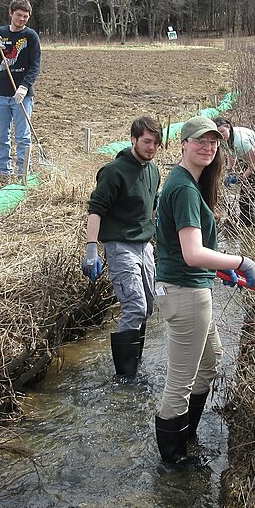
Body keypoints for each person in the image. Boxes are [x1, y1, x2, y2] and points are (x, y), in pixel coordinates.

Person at [153, 115, 255, 463]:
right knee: (180, 382)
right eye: (199, 140)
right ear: (183, 144)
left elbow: (187, 251)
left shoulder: (185, 181)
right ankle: (173, 463)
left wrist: (217, 269)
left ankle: (186, 438)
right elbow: (191, 253)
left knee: (211, 360)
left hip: (188, 287)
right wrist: (240, 262)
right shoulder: (185, 188)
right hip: (185, 293)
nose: (207, 146)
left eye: (214, 141)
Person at [81, 116, 162, 377]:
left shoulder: (153, 171)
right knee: (135, 306)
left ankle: (135, 364)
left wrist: (160, 242)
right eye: (147, 142)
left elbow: (151, 210)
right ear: (133, 139)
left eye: (156, 143)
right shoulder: (114, 172)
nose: (151, 147)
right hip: (120, 245)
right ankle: (125, 377)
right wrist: (92, 249)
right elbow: (96, 210)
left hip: (145, 245)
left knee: (148, 307)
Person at [0, 0, 42, 183]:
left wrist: (24, 87)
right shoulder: (0, 33)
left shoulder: (31, 37)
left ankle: (22, 174)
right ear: (11, 13)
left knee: (23, 137)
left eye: (25, 16)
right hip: (1, 93)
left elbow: (35, 66)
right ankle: (4, 173)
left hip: (22, 96)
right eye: (19, 15)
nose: (22, 19)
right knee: (1, 135)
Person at [212, 117, 255, 227]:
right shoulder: (227, 138)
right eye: (218, 133)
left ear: (228, 127)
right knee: (245, 196)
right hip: (254, 161)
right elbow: (232, 153)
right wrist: (228, 171)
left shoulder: (240, 140)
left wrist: (243, 177)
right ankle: (247, 224)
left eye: (222, 132)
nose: (221, 135)